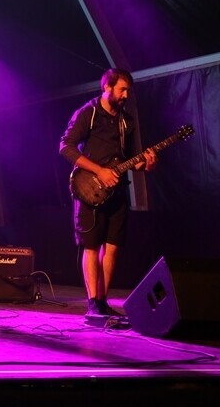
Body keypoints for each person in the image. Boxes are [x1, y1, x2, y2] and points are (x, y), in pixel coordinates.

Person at [59, 68, 156, 319]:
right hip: (89, 189)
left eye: (128, 91)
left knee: (112, 247)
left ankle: (102, 301)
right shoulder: (88, 113)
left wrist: (146, 164)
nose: (126, 95)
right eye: (122, 90)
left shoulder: (126, 121)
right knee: (91, 246)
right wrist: (99, 171)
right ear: (107, 87)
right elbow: (66, 147)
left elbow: (130, 159)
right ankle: (92, 302)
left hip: (118, 192)